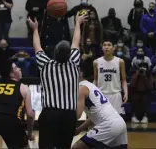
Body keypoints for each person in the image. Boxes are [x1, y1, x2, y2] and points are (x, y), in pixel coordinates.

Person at [27, 12, 87, 148]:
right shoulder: (74, 63)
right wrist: (78, 23)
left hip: (49, 114)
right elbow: (76, 42)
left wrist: (35, 29)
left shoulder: (46, 64)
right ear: (69, 54)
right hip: (68, 116)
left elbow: (37, 47)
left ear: (54, 52)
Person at [72, 70, 128, 149]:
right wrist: (79, 129)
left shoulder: (81, 89)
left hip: (108, 125)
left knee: (77, 147)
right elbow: (95, 115)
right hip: (120, 123)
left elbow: (77, 115)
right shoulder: (92, 86)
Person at [93, 40, 128, 115]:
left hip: (115, 94)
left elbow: (124, 80)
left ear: (113, 48)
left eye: (109, 45)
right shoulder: (96, 62)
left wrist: (126, 92)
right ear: (102, 48)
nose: (106, 47)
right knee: (102, 120)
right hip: (101, 95)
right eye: (104, 45)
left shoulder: (120, 61)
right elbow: (95, 79)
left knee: (116, 120)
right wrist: (93, 93)